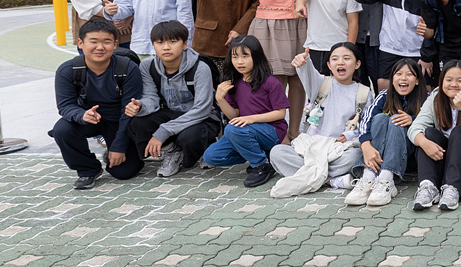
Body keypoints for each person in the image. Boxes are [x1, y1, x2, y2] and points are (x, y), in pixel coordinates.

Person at [50, 17, 144, 189]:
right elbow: (65, 106)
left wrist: (119, 146)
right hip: (90, 119)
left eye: (106, 42)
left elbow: (128, 111)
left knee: (124, 173)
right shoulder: (68, 70)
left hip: (119, 121)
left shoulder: (127, 68)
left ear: (115, 44)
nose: (100, 47)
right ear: (80, 43)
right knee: (62, 129)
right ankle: (88, 169)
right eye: (93, 41)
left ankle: (112, 150)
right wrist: (81, 115)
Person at [240, 0, 309, 137]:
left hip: (300, 25)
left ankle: (295, 132)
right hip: (271, 26)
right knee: (275, 81)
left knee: (299, 80)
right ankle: (276, 134)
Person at [268, 43, 369, 193]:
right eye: (335, 59)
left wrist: (348, 136)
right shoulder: (321, 83)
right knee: (277, 152)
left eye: (346, 58)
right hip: (312, 146)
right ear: (329, 65)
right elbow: (308, 71)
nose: (340, 62)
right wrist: (304, 61)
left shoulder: (364, 92)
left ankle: (309, 177)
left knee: (355, 156)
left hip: (339, 149)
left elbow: (366, 126)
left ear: (357, 64)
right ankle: (331, 180)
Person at [130, 20, 221, 178]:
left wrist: (163, 132)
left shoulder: (200, 68)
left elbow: (203, 109)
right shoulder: (147, 66)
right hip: (171, 113)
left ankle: (205, 147)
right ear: (153, 45)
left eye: (173, 42)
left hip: (201, 117)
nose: (166, 47)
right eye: (160, 42)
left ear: (185, 44)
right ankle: (172, 150)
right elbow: (151, 98)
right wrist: (140, 106)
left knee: (190, 137)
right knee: (138, 122)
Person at [201, 34, 289, 188]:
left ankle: (262, 165)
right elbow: (233, 115)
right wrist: (220, 99)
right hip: (244, 132)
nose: (240, 61)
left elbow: (280, 113)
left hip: (272, 131)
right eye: (235, 57)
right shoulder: (233, 83)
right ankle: (262, 155)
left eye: (245, 56)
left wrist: (251, 119)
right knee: (211, 156)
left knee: (232, 129)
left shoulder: (270, 82)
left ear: (256, 56)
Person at [408, 59, 461, 211]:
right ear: (442, 81)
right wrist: (425, 143)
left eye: (460, 80)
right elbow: (415, 128)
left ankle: (453, 188)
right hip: (441, 155)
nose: (454, 84)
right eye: (449, 80)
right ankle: (428, 187)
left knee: (459, 131)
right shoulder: (435, 98)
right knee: (428, 134)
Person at [344, 57, 420, 208]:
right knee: (379, 118)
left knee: (396, 119)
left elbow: (434, 123)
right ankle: (368, 177)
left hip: (407, 155)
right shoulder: (384, 95)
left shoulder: (426, 98)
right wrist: (365, 145)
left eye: (409, 74)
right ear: (392, 79)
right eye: (398, 74)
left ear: (417, 80)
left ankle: (387, 179)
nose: (403, 78)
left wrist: (413, 119)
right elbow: (366, 121)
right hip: (378, 152)